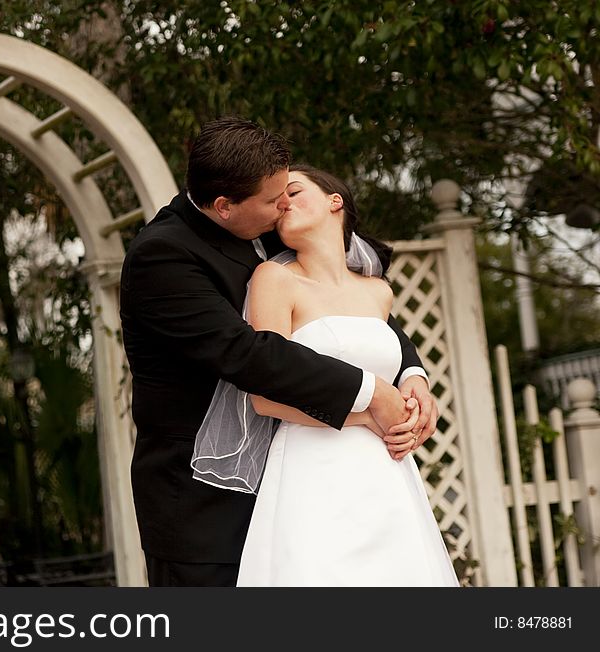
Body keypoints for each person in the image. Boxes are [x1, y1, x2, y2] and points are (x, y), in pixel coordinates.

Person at [119, 117, 438, 587]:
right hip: (206, 509)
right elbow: (248, 355)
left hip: (299, 486)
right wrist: (370, 395)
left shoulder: (269, 227)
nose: (285, 204)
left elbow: (352, 308)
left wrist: (411, 373)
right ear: (224, 206)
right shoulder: (162, 257)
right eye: (275, 199)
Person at [200, 164, 458, 586]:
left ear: (334, 201)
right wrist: (370, 413)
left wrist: (415, 387)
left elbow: (393, 356)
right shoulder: (274, 280)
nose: (283, 201)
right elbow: (264, 396)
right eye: (277, 199)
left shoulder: (378, 292)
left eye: (295, 191)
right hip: (313, 470)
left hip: (386, 472)